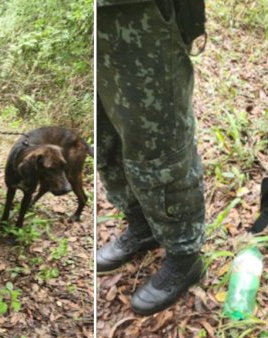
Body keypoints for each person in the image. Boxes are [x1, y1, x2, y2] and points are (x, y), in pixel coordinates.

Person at [96, 0, 206, 315]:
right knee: (109, 139)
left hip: (137, 13)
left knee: (158, 144)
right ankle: (142, 227)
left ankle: (185, 257)